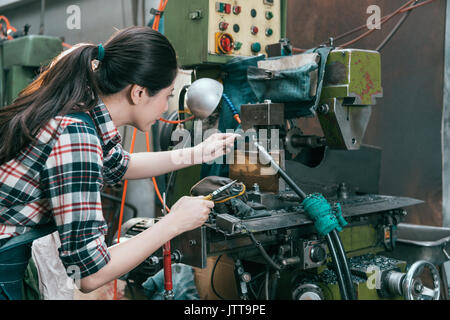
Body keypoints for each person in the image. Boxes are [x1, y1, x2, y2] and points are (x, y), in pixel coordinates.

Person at [0, 26, 237, 299]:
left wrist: (196, 153)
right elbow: (90, 274)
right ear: (138, 93)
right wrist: (174, 223)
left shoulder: (81, 113)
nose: (165, 107)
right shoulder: (77, 135)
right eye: (168, 96)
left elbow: (119, 164)